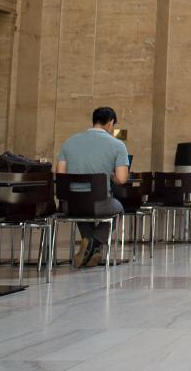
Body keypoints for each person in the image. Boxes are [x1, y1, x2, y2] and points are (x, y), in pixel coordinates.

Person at [55, 106, 129, 268]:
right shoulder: (117, 145)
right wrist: (109, 174)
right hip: (100, 203)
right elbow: (122, 179)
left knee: (81, 207)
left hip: (70, 205)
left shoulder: (69, 142)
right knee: (118, 209)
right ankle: (95, 242)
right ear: (110, 123)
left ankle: (89, 249)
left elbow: (60, 174)